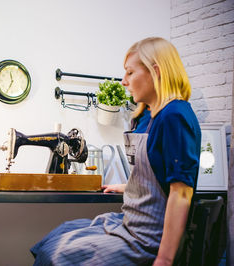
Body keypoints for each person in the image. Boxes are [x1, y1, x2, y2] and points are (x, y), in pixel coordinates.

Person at [30, 37, 201, 266]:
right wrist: (128, 187)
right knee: (56, 238)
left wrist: (164, 259)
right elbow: (155, 173)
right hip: (129, 224)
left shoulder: (174, 116)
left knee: (61, 256)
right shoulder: (144, 117)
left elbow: (180, 193)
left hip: (147, 240)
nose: (123, 81)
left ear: (156, 71)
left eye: (130, 73)